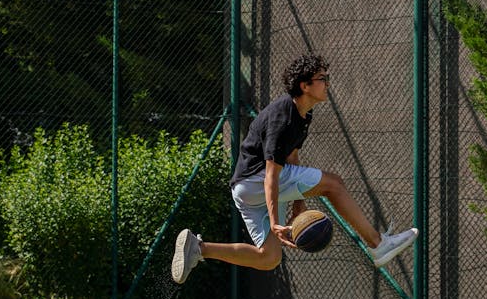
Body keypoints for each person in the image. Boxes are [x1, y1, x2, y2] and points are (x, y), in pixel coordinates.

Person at [171, 53, 418, 284]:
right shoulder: (283, 117)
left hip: (246, 191)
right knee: (333, 184)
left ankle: (199, 249)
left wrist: (298, 204)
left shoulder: (303, 115)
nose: (328, 83)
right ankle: (377, 244)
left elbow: (292, 156)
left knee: (268, 258)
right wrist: (276, 221)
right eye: (322, 78)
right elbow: (271, 176)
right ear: (305, 86)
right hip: (256, 182)